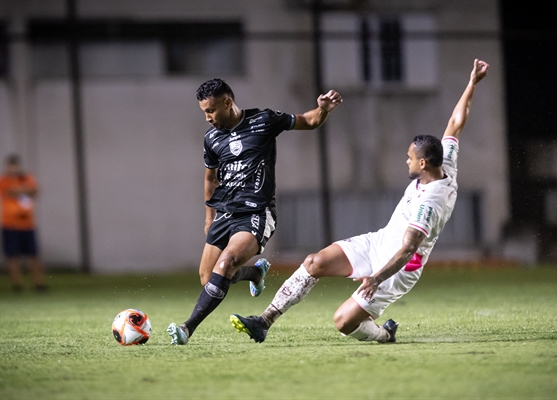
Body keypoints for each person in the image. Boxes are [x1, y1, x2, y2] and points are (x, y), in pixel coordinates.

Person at [230, 59, 489, 344]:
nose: (407, 161)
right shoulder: (445, 164)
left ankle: (383, 333)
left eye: (410, 158)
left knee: (343, 322)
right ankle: (263, 322)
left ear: (424, 162)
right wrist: (471, 83)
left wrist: (376, 278)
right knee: (314, 262)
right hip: (379, 243)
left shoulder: (430, 203)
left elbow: (408, 250)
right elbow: (455, 122)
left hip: (398, 269)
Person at [167, 79, 343, 345]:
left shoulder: (264, 120)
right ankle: (255, 273)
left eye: (210, 110)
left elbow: (308, 121)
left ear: (227, 102)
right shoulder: (212, 138)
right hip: (225, 212)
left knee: (224, 265)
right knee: (208, 278)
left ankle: (186, 328)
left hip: (256, 213)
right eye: (204, 111)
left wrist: (323, 110)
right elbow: (209, 179)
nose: (207, 118)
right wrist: (209, 216)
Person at [0, 154, 46, 292]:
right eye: (11, 166)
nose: (14, 169)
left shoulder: (27, 178)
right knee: (12, 256)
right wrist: (23, 189)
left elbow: (35, 191)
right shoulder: (4, 180)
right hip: (10, 224)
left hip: (28, 224)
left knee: (33, 255)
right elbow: (10, 192)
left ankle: (38, 283)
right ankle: (17, 284)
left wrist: (20, 190)